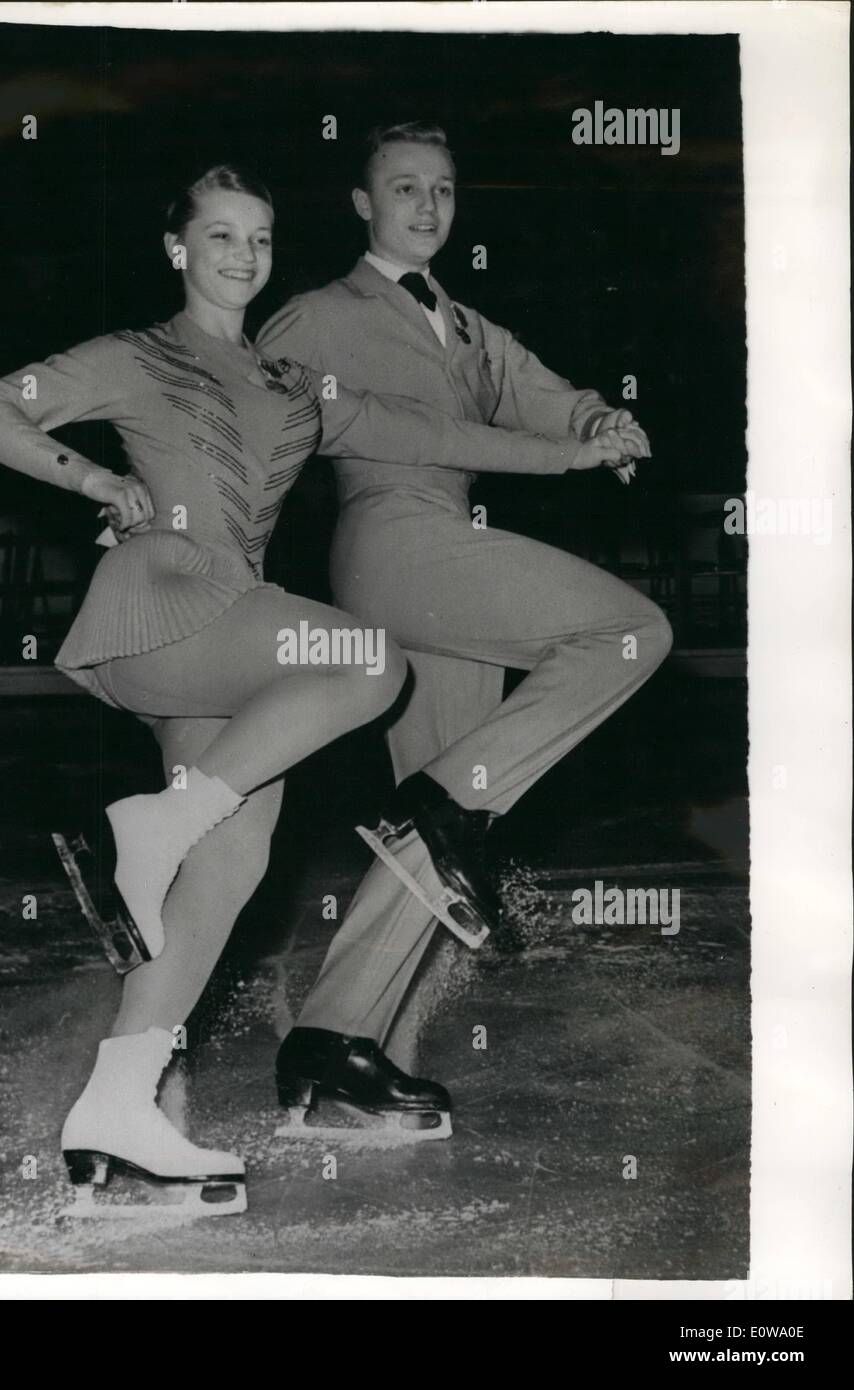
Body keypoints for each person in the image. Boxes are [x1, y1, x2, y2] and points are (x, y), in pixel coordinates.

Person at [0, 164, 624, 1215]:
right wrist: (95, 481)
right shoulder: (135, 354)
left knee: (226, 863)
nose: (242, 256)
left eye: (258, 239)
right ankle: (150, 823)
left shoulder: (287, 379)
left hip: (230, 637)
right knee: (363, 659)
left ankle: (115, 1112)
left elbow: (419, 434)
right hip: (164, 598)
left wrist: (569, 450)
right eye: (219, 237)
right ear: (178, 248)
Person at [256, 122, 672, 1140]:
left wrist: (594, 425)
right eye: (403, 188)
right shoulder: (316, 313)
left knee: (431, 828)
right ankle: (448, 805)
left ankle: (335, 1047)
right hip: (393, 542)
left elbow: (537, 391)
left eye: (441, 188)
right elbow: (264, 399)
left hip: (443, 553)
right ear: (362, 204)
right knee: (630, 630)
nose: (426, 206)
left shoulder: (465, 324)